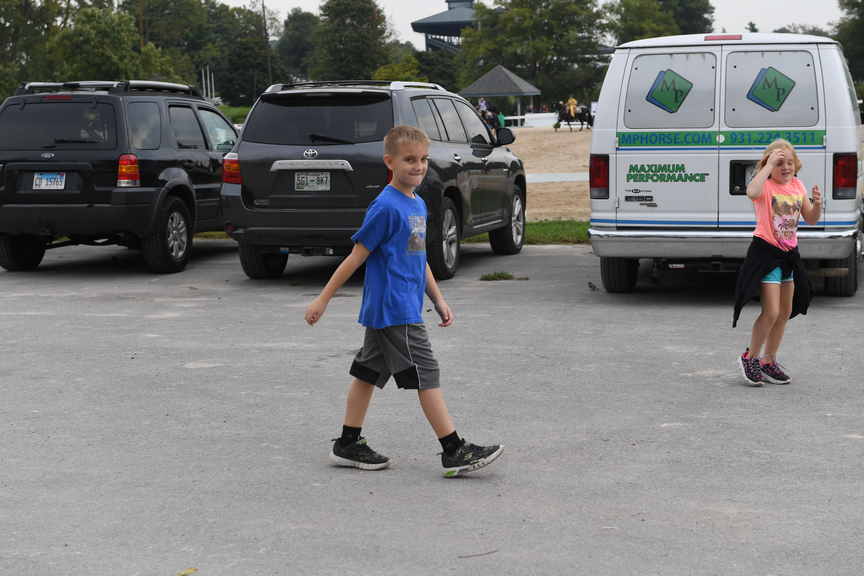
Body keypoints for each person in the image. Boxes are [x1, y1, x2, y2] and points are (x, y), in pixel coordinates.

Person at [304, 125, 504, 477]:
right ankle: (453, 450)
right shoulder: (385, 207)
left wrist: (438, 298)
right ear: (390, 162)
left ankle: (348, 443)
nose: (418, 166)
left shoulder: (417, 203)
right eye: (409, 160)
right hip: (395, 309)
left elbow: (418, 258)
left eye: (423, 159)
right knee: (426, 373)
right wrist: (323, 299)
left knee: (367, 372)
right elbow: (356, 256)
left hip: (399, 306)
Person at [733, 139, 821, 386]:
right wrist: (768, 165)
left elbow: (811, 218)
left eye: (789, 162)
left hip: (789, 255)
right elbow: (751, 192)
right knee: (771, 311)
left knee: (784, 311)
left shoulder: (797, 185)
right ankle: (750, 357)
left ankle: (768, 361)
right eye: (779, 163)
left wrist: (817, 204)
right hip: (766, 253)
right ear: (769, 166)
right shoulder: (765, 187)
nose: (785, 167)